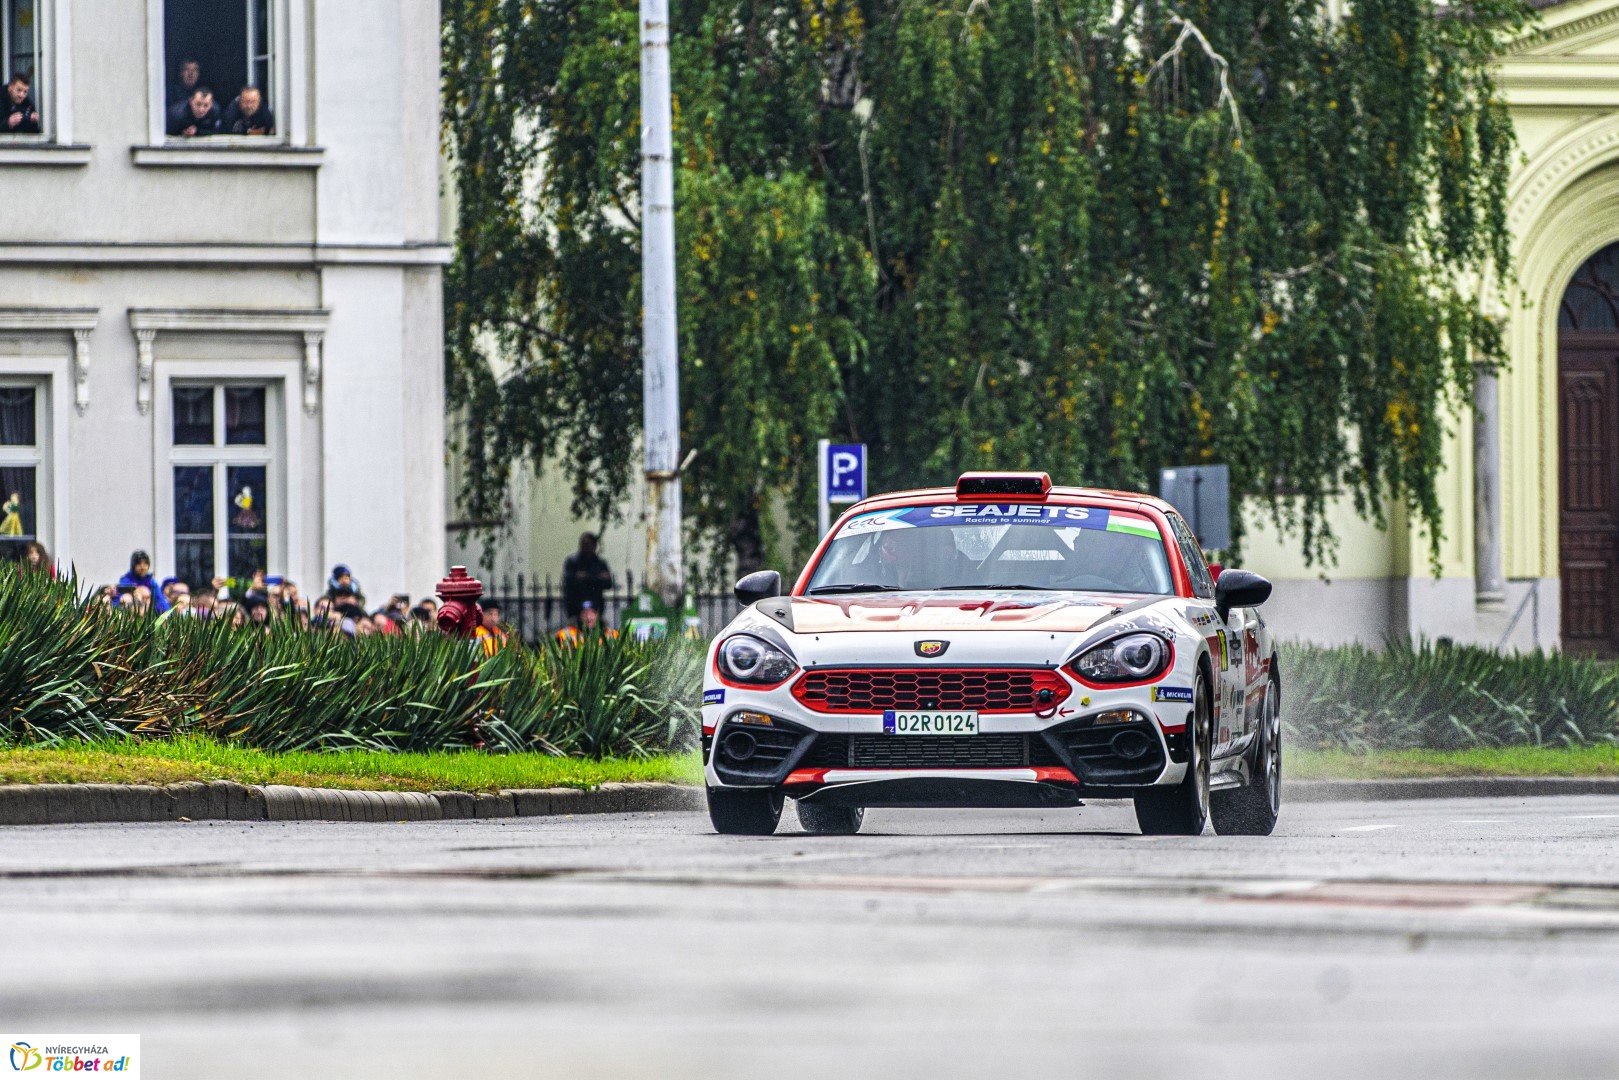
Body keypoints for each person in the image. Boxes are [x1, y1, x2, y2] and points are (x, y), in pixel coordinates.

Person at [562, 533, 613, 624]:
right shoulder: (573, 562)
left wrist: (586, 577)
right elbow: (569, 580)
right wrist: (597, 578)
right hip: (576, 604)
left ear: (594, 546)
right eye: (584, 544)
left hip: (596, 602)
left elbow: (608, 583)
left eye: (589, 545)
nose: (586, 548)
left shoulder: (600, 563)